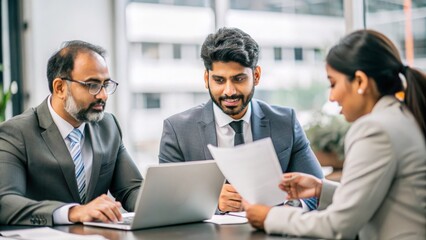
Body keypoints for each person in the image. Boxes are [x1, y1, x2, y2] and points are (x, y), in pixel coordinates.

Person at [243, 29, 426, 240]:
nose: (331, 97)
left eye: (333, 83)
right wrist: (321, 189)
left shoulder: (376, 129)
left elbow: (337, 226)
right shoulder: (400, 116)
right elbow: (380, 198)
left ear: (360, 82)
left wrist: (270, 216)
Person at [159, 27, 323, 213]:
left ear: (256, 76)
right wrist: (211, 202)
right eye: (219, 80)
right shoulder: (178, 130)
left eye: (239, 79)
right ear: (207, 79)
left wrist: (288, 205)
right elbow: (167, 203)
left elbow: (318, 192)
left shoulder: (285, 122)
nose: (229, 91)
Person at [0, 40, 142, 226]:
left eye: (105, 84)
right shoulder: (16, 132)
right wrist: (73, 212)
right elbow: (4, 201)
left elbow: (131, 188)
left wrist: (157, 206)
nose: (103, 95)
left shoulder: (109, 126)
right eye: (92, 85)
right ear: (60, 88)